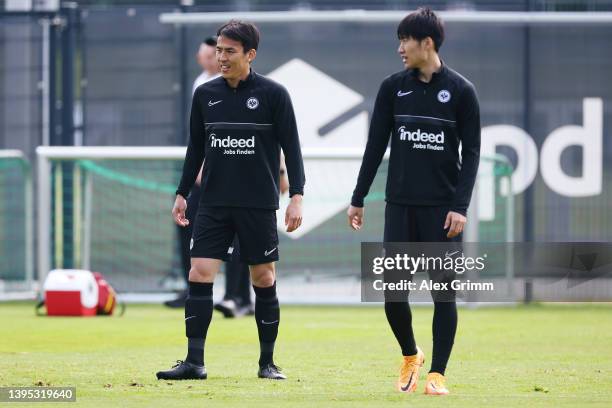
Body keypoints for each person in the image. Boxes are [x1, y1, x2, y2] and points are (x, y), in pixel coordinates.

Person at [157, 20, 305, 381]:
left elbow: (293, 150)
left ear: (250, 54)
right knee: (199, 273)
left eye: (229, 51)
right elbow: (196, 150)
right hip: (213, 203)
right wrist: (182, 194)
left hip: (258, 204)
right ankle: (194, 362)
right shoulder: (205, 95)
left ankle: (267, 364)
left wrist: (297, 197)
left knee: (264, 278)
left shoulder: (274, 94)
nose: (221, 57)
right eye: (219, 50)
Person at [347, 8, 480, 396]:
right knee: (392, 294)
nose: (399, 47)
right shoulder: (393, 88)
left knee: (444, 294)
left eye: (405, 40)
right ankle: (411, 354)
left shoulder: (461, 91)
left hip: (442, 210)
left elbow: (471, 153)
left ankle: (438, 374)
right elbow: (375, 146)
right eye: (399, 39)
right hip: (399, 207)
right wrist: (358, 198)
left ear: (428, 43)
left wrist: (461, 206)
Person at [165, 37, 221, 309]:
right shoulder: (200, 84)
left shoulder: (241, 85)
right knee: (187, 224)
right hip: (202, 173)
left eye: (215, 54)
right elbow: (200, 135)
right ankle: (194, 290)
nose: (209, 60)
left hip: (227, 174)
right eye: (205, 55)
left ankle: (240, 297)